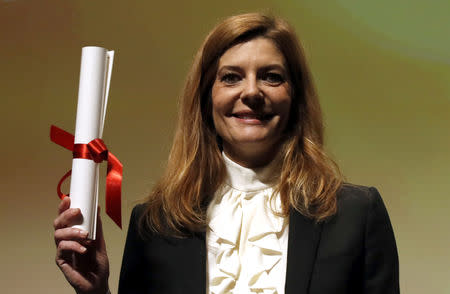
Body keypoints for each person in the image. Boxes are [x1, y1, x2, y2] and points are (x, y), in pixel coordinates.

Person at [53, 12, 399, 294]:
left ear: (295, 99)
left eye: (272, 77)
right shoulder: (156, 222)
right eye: (231, 77)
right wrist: (96, 291)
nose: (251, 91)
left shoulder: (356, 215)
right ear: (206, 99)